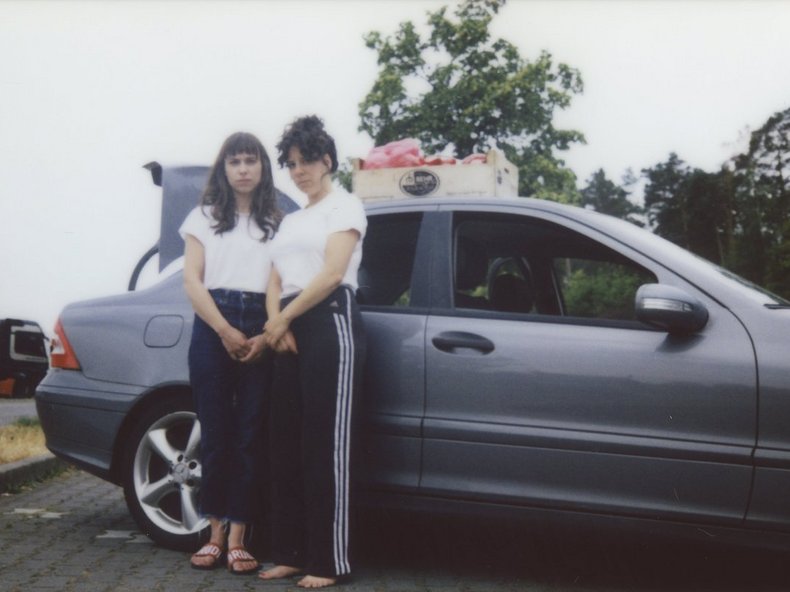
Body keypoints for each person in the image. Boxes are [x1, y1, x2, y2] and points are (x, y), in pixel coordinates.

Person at [259, 115, 366, 588]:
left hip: (329, 319)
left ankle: (328, 562)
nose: (298, 171)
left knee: (325, 446)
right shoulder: (291, 220)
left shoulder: (345, 206)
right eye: (290, 164)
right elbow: (275, 279)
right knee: (284, 444)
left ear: (327, 161)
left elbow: (332, 273)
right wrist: (275, 322)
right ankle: (289, 552)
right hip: (286, 324)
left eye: (305, 161)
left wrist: (283, 319)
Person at [180, 132, 281, 575]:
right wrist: (223, 329)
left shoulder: (277, 222)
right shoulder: (202, 217)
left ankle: (239, 537)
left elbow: (280, 283)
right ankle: (214, 535)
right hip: (212, 324)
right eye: (235, 161)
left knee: (249, 434)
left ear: (262, 168)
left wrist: (266, 335)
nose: (243, 169)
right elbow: (192, 280)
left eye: (250, 161)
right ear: (223, 169)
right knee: (216, 432)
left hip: (261, 322)